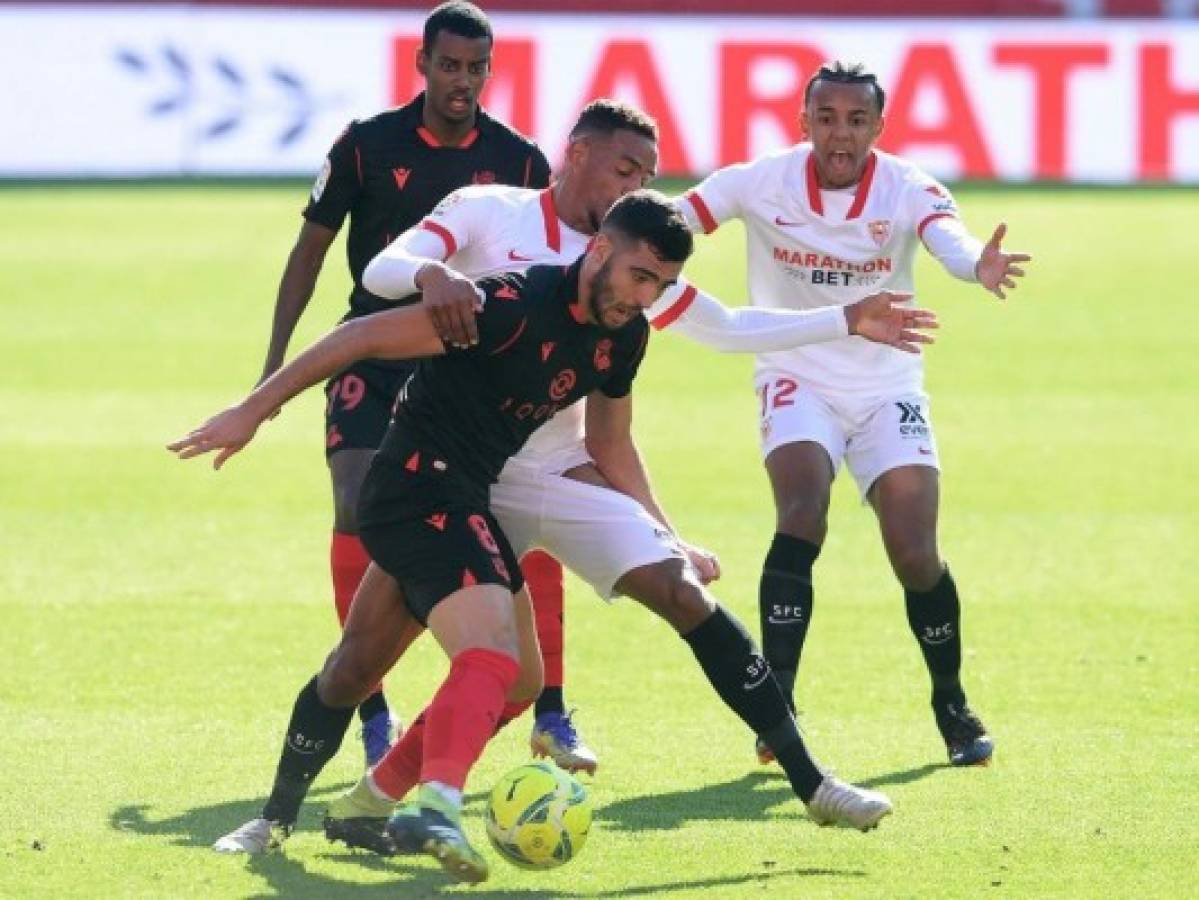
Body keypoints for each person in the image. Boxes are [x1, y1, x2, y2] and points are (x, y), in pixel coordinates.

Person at [170, 191, 897, 884]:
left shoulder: (624, 338)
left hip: (476, 495)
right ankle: (402, 811)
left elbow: (611, 444)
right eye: (639, 274)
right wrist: (252, 410)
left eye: (661, 283)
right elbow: (361, 334)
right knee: (448, 659)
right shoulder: (509, 305)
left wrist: (666, 535)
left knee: (480, 674)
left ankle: (359, 807)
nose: (643, 295)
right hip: (419, 487)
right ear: (600, 251)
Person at [675, 61, 1031, 767]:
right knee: (801, 511)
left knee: (914, 552)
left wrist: (973, 268)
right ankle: (776, 702)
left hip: (885, 384)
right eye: (827, 118)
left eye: (856, 119)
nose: (841, 134)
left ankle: (950, 703)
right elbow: (671, 220)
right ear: (802, 121)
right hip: (794, 372)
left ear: (878, 125)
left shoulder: (906, 186)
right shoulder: (757, 179)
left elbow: (946, 237)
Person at [251, 0, 574, 769]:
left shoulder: (521, 160)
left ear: (489, 72)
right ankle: (370, 706)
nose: (462, 82)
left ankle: (553, 708)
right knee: (359, 506)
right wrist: (275, 364)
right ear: (422, 64)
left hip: (471, 369)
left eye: (476, 69)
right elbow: (310, 252)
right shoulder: (367, 145)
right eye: (449, 65)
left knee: (524, 512)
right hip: (372, 351)